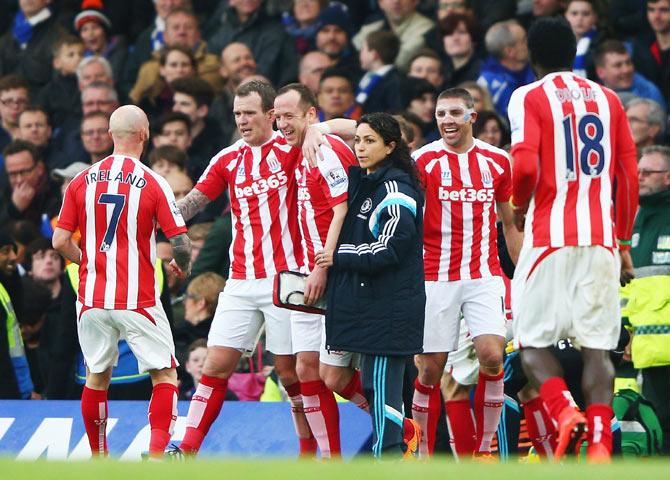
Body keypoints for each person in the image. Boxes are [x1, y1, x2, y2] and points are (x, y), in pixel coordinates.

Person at [507, 17, 639, 463]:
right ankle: (601, 441)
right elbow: (629, 177)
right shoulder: (608, 98)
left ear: (531, 53)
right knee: (597, 348)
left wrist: (519, 203)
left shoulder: (529, 95)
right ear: (574, 51)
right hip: (601, 239)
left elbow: (524, 167)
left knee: (530, 343)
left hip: (549, 236)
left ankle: (564, 412)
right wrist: (621, 242)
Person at [172, 80, 312, 457]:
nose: (242, 120)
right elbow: (195, 201)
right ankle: (186, 448)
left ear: (270, 114)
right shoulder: (228, 158)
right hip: (240, 281)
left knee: (289, 374)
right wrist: (159, 216)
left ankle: (309, 451)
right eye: (237, 114)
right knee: (216, 365)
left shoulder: (294, 149)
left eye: (249, 112)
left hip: (285, 279)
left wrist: (321, 129)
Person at [52, 105, 192, 458]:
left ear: (111, 135)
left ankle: (100, 458)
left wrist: (91, 263)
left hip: (93, 300)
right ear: (144, 134)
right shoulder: (153, 181)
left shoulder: (81, 180)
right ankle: (158, 455)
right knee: (164, 374)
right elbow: (180, 241)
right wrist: (181, 264)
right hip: (138, 298)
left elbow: (59, 241)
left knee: (97, 377)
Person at [410, 88, 521, 459]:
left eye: (455, 113)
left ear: (473, 117)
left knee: (492, 355)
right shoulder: (422, 161)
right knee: (431, 370)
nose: (446, 120)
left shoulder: (497, 161)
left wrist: (520, 273)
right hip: (434, 276)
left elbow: (510, 224)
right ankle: (422, 450)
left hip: (483, 274)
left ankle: (483, 450)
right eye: (441, 114)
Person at [313, 112, 425, 458]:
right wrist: (319, 129)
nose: (359, 147)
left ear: (391, 146)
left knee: (383, 391)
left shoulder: (396, 190)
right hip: (370, 307)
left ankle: (387, 457)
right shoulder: (365, 181)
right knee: (376, 392)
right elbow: (348, 130)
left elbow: (389, 248)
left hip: (388, 310)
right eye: (358, 140)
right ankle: (389, 452)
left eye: (370, 141)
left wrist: (336, 255)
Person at [274, 83, 361, 458]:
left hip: (334, 275)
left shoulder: (323, 151)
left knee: (333, 375)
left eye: (289, 116)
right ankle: (330, 461)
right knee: (306, 368)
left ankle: (402, 425)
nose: (281, 124)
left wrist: (323, 266)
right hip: (308, 274)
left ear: (311, 114)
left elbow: (342, 210)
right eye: (277, 117)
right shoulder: (302, 149)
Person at [620, 145, 670, 453]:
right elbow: (621, 285)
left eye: (648, 172)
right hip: (640, 346)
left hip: (660, 342)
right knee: (651, 422)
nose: (640, 177)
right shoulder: (629, 217)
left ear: (668, 177)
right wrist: (621, 330)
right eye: (638, 171)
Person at [477, 20, 535, 119]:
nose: (529, 43)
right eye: (523, 40)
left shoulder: (538, 69)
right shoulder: (486, 84)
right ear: (510, 51)